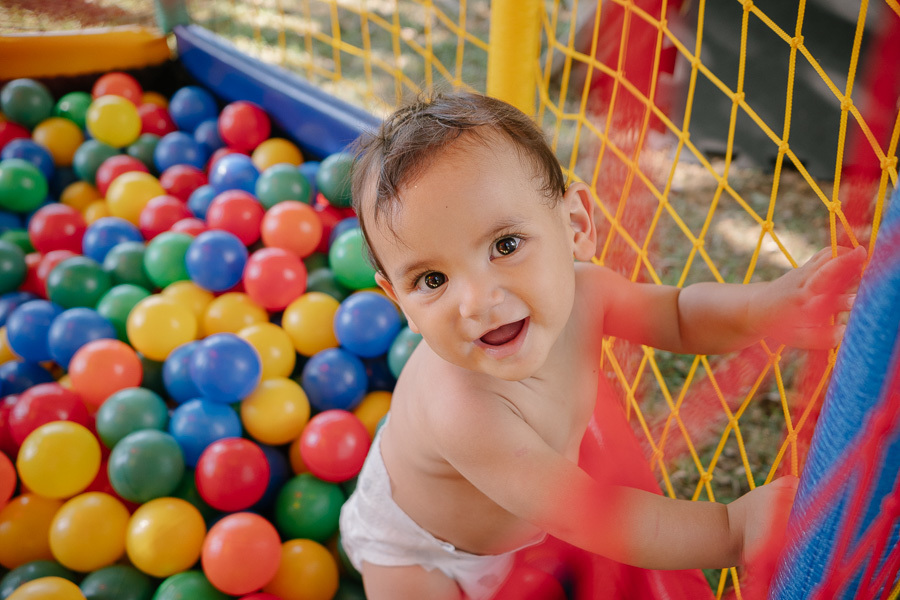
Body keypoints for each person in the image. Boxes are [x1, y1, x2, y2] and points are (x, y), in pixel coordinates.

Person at [338, 91, 866, 600]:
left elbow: (679, 315)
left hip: (530, 513)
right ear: (397, 299)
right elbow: (592, 513)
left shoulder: (590, 291)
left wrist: (767, 308)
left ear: (575, 225)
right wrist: (731, 528)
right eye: (431, 280)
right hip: (424, 552)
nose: (477, 302)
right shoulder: (463, 411)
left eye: (505, 245)